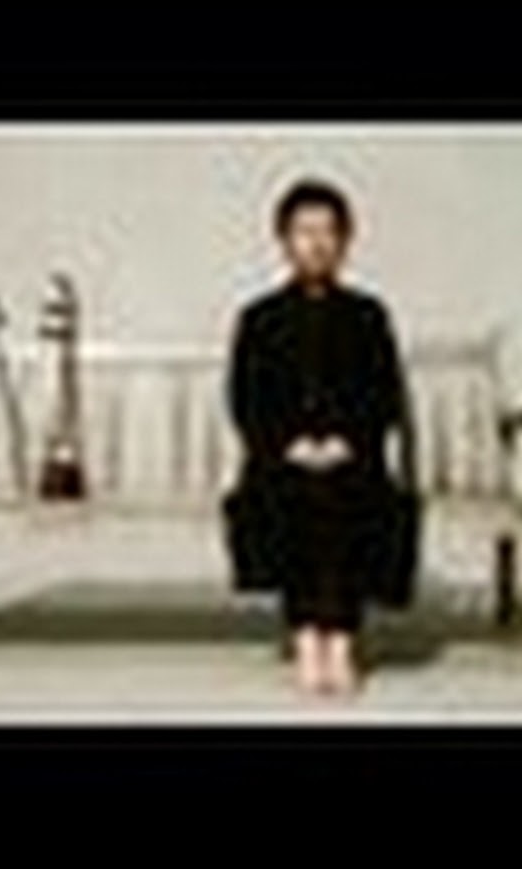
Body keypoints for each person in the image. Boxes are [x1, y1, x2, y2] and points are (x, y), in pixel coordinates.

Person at [225, 178, 406, 697]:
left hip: (355, 458)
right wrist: (289, 444)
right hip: (279, 460)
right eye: (304, 231)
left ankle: (341, 639)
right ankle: (307, 637)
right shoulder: (259, 318)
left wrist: (347, 442)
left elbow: (385, 395)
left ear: (346, 241)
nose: (317, 243)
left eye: (328, 231)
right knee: (300, 493)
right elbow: (245, 399)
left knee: (343, 491)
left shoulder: (369, 316)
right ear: (284, 240)